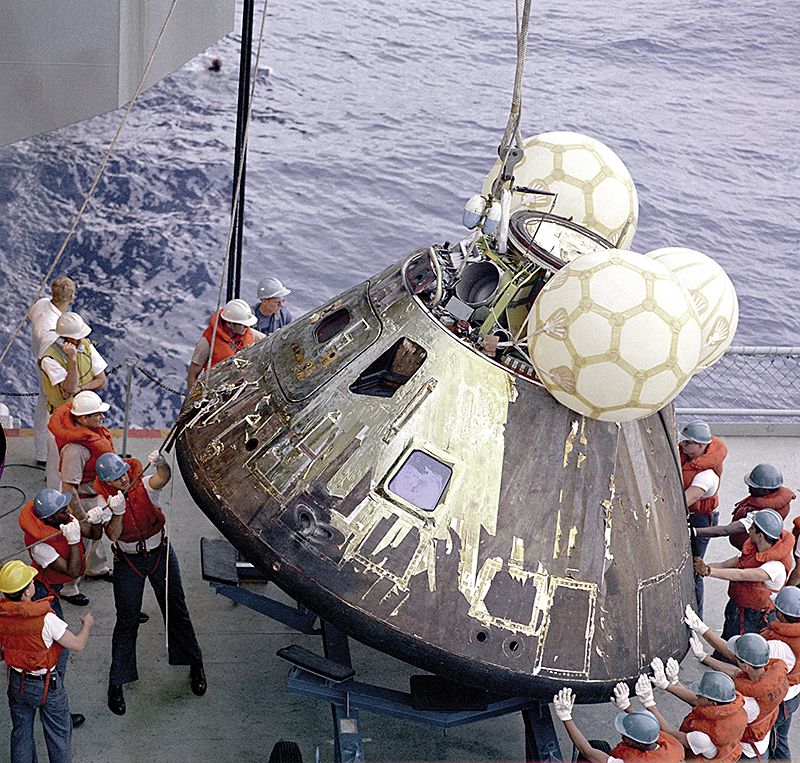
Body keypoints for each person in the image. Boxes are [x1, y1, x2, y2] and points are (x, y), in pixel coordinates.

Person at [93, 451, 205, 715]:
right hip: (128, 561)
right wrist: (116, 512)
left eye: (123, 473)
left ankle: (195, 662)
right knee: (127, 619)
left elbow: (162, 479)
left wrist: (163, 463)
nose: (122, 479)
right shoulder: (104, 502)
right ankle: (117, 681)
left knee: (176, 608)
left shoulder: (142, 484)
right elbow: (114, 535)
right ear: (105, 482)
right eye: (115, 478)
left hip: (159, 554)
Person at [0, 560, 94, 763]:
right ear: (26, 592)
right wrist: (87, 624)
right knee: (58, 736)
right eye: (31, 581)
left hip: (17, 683)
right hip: (46, 686)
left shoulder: (2, 616)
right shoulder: (47, 619)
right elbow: (77, 644)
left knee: (21, 734)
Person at [685, 616, 789, 761]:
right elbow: (736, 672)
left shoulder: (746, 702)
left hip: (747, 754)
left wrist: (668, 685)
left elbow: (705, 703)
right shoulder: (772, 676)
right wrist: (704, 657)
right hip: (763, 742)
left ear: (745, 665)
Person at [48, 391, 115, 601]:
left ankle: (97, 567)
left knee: (97, 535)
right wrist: (83, 518)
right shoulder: (75, 450)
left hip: (96, 495)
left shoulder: (91, 433)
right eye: (97, 414)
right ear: (83, 418)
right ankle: (69, 587)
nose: (102, 417)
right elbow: (69, 488)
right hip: (82, 502)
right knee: (80, 542)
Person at [694, 508, 793, 641]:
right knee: (728, 637)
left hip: (755, 616)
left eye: (752, 528)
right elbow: (725, 565)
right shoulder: (753, 548)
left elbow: (742, 574)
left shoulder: (775, 567)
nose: (748, 530)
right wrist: (699, 567)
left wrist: (707, 571)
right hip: (737, 606)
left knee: (742, 647)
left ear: (760, 535)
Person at [40, 311, 108, 492]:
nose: (80, 340)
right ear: (65, 338)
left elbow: (101, 381)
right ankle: (55, 498)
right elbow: (69, 388)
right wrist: (71, 358)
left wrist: (82, 389)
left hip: (86, 414)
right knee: (57, 461)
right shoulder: (49, 358)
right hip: (61, 417)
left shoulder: (85, 346)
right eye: (76, 338)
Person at [640, 656, 747, 762]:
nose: (697, 695)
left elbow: (670, 735)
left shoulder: (702, 739)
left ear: (713, 703)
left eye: (701, 695)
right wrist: (670, 683)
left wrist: (649, 703)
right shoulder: (733, 709)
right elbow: (697, 701)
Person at [552, 686, 684, 762]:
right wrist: (627, 706)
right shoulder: (669, 745)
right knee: (599, 746)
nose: (622, 734)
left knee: (593, 752)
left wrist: (566, 717)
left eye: (626, 734)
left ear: (638, 743)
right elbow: (647, 726)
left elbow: (587, 752)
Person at [679, 420, 727, 619]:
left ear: (701, 446)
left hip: (701, 520)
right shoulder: (687, 455)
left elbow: (684, 501)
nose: (683, 445)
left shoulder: (706, 476)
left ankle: (697, 615)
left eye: (688, 442)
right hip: (692, 515)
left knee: (695, 567)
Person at [27, 276, 76, 465]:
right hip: (49, 368)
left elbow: (32, 317)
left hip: (41, 363)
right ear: (71, 297)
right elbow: (45, 357)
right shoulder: (53, 329)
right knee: (53, 410)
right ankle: (52, 457)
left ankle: (42, 454)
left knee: (42, 406)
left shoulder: (41, 304)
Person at [696, 463, 795, 552]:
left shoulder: (760, 514)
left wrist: (694, 531)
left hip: (754, 552)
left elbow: (727, 530)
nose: (749, 487)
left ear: (765, 490)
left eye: (753, 486)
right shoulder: (779, 501)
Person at [187, 298, 264, 388]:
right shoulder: (206, 342)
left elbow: (268, 341)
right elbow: (192, 375)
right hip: (218, 392)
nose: (246, 327)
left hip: (244, 389)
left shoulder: (250, 334)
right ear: (229, 324)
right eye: (242, 325)